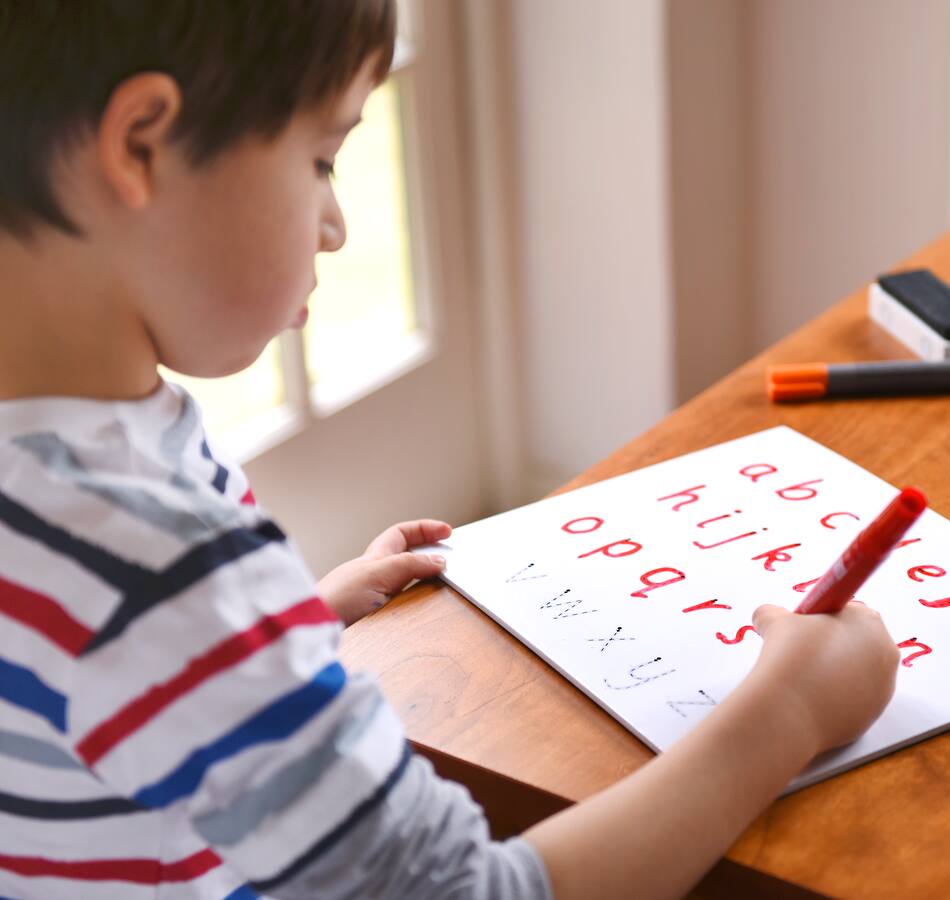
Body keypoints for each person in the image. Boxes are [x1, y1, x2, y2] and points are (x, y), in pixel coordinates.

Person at [0, 3, 900, 898]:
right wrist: (787, 712)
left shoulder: (76, 473)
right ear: (143, 146)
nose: (335, 225)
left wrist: (281, 633)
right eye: (320, 159)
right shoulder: (158, 564)